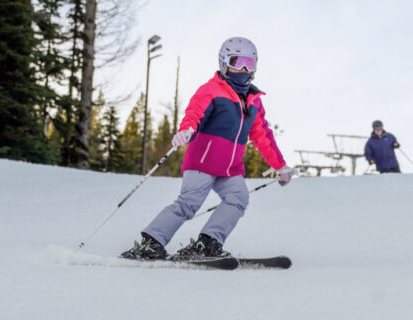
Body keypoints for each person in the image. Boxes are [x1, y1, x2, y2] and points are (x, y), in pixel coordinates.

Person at [122, 37, 296, 260]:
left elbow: (263, 136)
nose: (243, 69)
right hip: (203, 162)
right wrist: (187, 130)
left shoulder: (254, 101)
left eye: (248, 63)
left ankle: (208, 243)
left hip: (230, 168)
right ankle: (151, 242)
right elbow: (194, 113)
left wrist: (280, 166)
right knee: (188, 205)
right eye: (237, 62)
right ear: (224, 62)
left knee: (238, 198)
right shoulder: (212, 90)